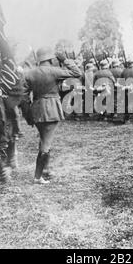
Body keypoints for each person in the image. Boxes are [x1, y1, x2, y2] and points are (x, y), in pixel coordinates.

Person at [23, 47, 81, 184]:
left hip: (36, 109)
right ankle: (38, 177)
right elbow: (77, 72)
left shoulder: (30, 73)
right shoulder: (54, 71)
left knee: (44, 140)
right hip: (51, 109)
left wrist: (28, 114)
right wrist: (65, 60)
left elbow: (24, 96)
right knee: (46, 143)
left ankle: (45, 170)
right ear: (50, 59)